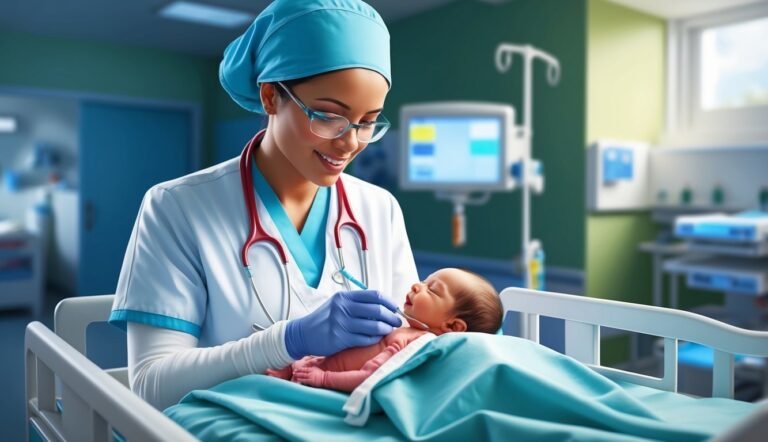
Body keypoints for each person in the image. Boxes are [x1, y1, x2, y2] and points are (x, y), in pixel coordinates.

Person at [108, 0, 418, 411]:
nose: (349, 143)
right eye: (328, 117)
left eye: (367, 122)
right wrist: (288, 342)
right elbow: (150, 386)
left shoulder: (380, 209)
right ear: (271, 96)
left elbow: (408, 346)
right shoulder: (176, 207)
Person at [266, 268, 503, 392]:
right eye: (423, 280)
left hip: (329, 381)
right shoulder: (401, 326)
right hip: (317, 365)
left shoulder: (417, 343)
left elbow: (372, 377)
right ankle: (287, 373)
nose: (416, 285)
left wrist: (324, 378)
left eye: (432, 289)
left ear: (453, 326)